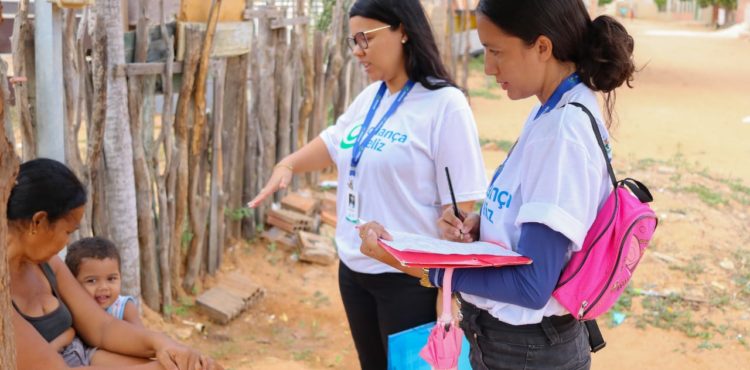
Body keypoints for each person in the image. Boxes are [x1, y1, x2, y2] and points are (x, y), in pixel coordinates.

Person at [358, 0, 636, 369]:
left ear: (541, 47)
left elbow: (532, 285)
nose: (488, 67)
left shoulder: (561, 132)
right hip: (518, 344)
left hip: (527, 352)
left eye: (495, 51)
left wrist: (430, 270)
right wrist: (484, 229)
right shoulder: (553, 108)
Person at [247, 0, 487, 367]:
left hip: (408, 279)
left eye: (365, 39)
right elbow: (333, 141)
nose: (358, 51)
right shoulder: (371, 98)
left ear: (403, 30)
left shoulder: (444, 105)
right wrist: (289, 164)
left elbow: (457, 210)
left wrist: (449, 270)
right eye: (352, 41)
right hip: (355, 270)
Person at [8, 158, 222, 370]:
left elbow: (103, 328)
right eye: (67, 232)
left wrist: (165, 345)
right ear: (39, 222)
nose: (67, 242)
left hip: (86, 357)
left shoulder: (48, 265)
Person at [65, 236, 142, 326]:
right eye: (92, 281)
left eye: (111, 279)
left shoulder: (124, 308)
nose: (103, 287)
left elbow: (142, 337)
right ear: (73, 283)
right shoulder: (70, 311)